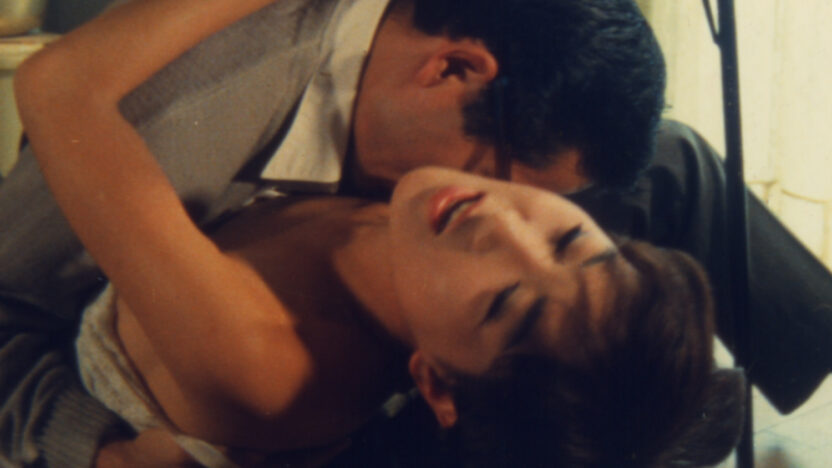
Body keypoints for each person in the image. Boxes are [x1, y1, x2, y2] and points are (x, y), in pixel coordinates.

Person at [0, 0, 827, 464]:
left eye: (505, 302)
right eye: (571, 239)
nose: (503, 221)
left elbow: (56, 85)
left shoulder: (257, 355)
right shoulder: (445, 226)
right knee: (673, 155)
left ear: (432, 381)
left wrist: (95, 451)